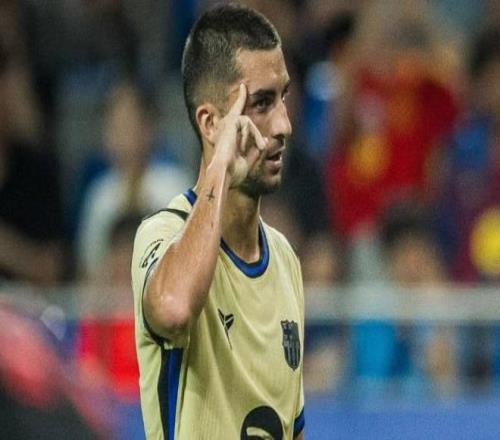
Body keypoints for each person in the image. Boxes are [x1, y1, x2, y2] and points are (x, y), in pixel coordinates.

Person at [131, 4, 304, 439]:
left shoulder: (284, 258)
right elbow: (174, 309)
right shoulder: (162, 234)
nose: (283, 124)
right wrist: (221, 169)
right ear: (211, 124)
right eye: (261, 103)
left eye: (283, 97)